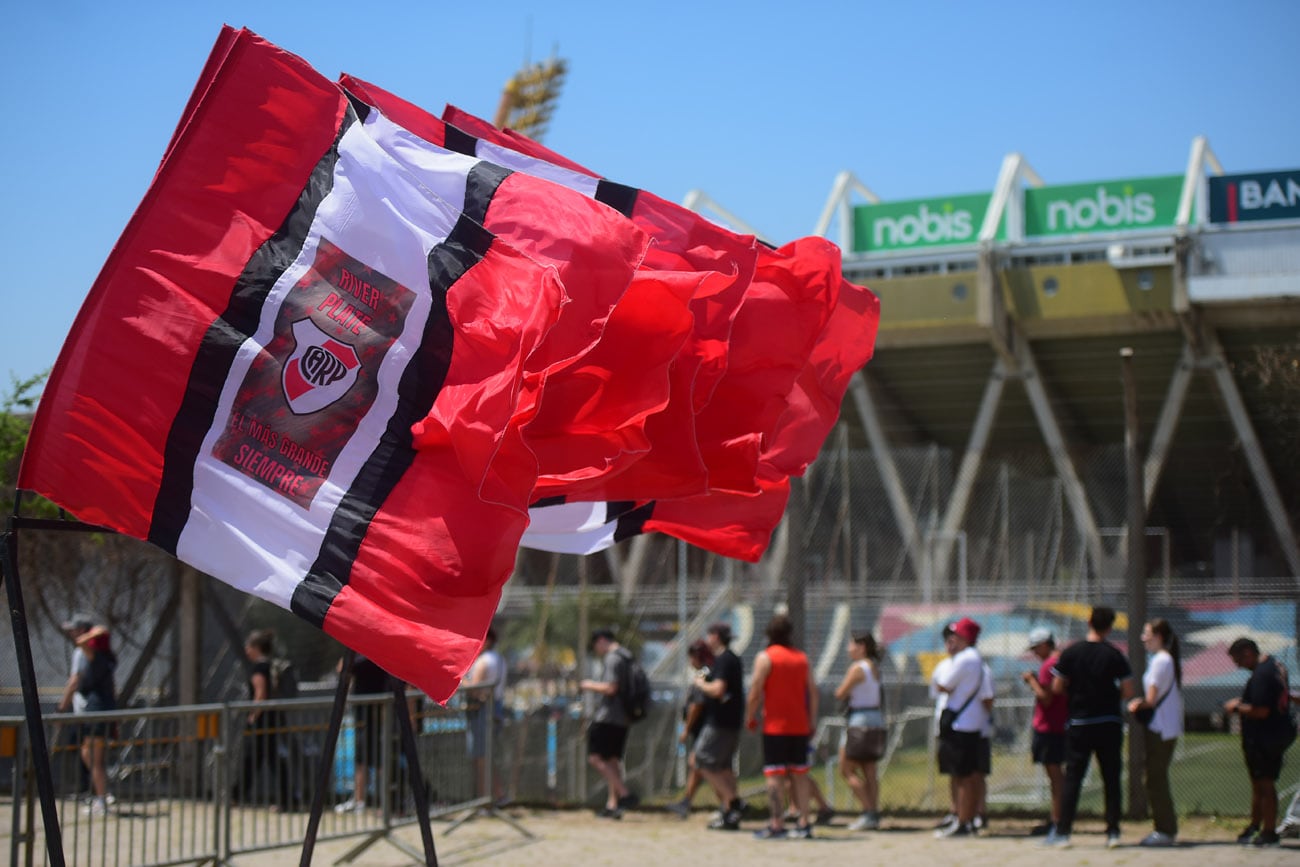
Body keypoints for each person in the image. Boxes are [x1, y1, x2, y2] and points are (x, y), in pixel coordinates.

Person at [1043, 606, 1134, 849]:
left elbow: (1057, 686)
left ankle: (1064, 832)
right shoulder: (1114, 654)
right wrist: (1109, 695)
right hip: (1108, 722)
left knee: (1073, 778)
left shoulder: (1072, 652)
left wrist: (1076, 692)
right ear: (1110, 627)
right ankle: (1113, 831)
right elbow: (1128, 690)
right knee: (1111, 778)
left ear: (1089, 622)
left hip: (1080, 722)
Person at [745, 614, 817, 840]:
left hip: (775, 727)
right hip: (799, 725)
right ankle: (804, 823)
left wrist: (750, 716)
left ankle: (777, 823)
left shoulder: (766, 657)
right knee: (800, 774)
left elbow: (755, 690)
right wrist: (812, 720)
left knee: (775, 775)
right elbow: (813, 692)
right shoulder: (801, 658)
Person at [1223, 636, 1296, 848]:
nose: (1238, 665)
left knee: (1265, 784)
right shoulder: (1275, 666)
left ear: (1248, 653)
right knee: (1259, 782)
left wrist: (1236, 707)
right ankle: (1256, 826)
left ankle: (1269, 831)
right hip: (1272, 734)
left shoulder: (1263, 674)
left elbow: (1261, 710)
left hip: (1266, 736)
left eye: (1238, 659)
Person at [1126, 618, 1183, 847]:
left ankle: (1165, 829)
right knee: (1155, 777)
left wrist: (1136, 704)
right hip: (1162, 727)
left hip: (1161, 728)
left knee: (1155, 779)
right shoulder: (1162, 660)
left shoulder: (1161, 660)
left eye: (1147, 634)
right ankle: (1165, 827)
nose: (1143, 638)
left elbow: (1151, 699)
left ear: (1158, 636)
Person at [933, 617, 988, 839]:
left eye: (956, 635)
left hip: (961, 724)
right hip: (968, 723)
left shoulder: (965, 658)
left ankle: (964, 821)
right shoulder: (975, 658)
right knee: (966, 774)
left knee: (963, 775)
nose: (953, 639)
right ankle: (966, 819)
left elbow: (943, 684)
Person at [692, 623, 747, 830]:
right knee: (723, 767)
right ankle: (730, 814)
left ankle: (734, 802)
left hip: (720, 722)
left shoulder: (724, 659)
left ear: (716, 636)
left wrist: (700, 684)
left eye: (709, 635)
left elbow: (718, 689)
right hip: (729, 721)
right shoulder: (730, 658)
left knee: (701, 760)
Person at [580, 628, 636, 819]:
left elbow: (611, 688)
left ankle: (624, 794)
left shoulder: (612, 658)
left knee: (595, 758)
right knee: (612, 761)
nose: (596, 650)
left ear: (601, 640)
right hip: (623, 717)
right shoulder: (627, 656)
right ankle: (613, 805)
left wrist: (588, 685)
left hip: (608, 717)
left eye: (595, 645)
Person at [60, 625, 116, 816]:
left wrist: (93, 633)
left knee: (93, 758)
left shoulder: (98, 656)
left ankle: (102, 798)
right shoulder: (109, 658)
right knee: (89, 755)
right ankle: (101, 794)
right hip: (100, 711)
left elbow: (79, 642)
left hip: (96, 711)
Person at [234, 629, 293, 810]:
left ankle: (237, 796)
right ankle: (287, 799)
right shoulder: (271, 666)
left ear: (256, 647)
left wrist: (253, 715)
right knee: (261, 760)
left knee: (255, 760)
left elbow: (260, 693)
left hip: (262, 721)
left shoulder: (259, 668)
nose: (246, 650)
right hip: (272, 718)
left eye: (249, 646)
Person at [834, 631, 884, 831]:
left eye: (851, 644)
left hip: (859, 720)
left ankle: (868, 811)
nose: (849, 649)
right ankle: (874, 813)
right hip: (875, 719)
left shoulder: (857, 668)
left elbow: (840, 693)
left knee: (846, 769)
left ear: (861, 647)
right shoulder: (874, 667)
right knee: (869, 769)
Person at [1020, 626, 1066, 837]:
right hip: (1059, 725)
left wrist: (1032, 681)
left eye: (1036, 648)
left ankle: (1058, 820)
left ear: (1046, 644)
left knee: (1055, 778)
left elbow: (1046, 698)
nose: (1034, 653)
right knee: (1056, 777)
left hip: (1050, 727)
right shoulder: (1060, 661)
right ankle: (1058, 818)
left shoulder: (1049, 665)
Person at [336, 653, 396, 813]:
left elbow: (342, 668)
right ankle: (360, 799)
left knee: (373, 758)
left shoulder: (367, 657)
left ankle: (383, 801)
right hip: (367, 714)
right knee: (364, 758)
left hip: (371, 714)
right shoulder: (367, 657)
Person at [666, 639, 712, 819]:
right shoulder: (704, 672)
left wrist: (686, 729)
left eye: (692, 657)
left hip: (704, 729)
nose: (690, 661)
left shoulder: (704, 674)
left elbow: (696, 705)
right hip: (702, 729)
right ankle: (686, 802)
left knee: (701, 764)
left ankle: (730, 802)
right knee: (698, 765)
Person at [464, 627, 507, 802]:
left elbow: (474, 690)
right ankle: (498, 795)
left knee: (481, 758)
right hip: (495, 708)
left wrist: (459, 679)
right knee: (487, 756)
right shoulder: (499, 659)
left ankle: (484, 800)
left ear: (487, 640)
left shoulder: (484, 661)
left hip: (482, 711)